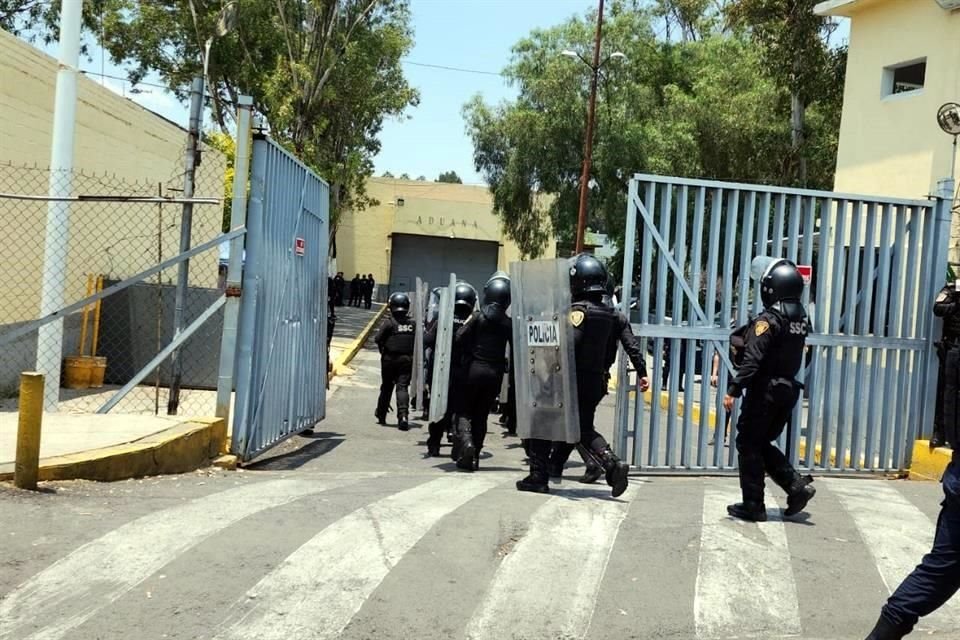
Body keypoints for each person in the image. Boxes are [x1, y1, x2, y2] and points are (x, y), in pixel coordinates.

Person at [520, 253, 650, 496]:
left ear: (577, 281)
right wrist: (642, 372)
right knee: (582, 428)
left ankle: (538, 476)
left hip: (570, 380)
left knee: (540, 421)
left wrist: (545, 368)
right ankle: (611, 464)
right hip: (597, 381)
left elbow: (569, 344)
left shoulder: (577, 312)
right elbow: (632, 345)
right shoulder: (615, 315)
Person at [722, 257, 814, 522]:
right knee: (760, 442)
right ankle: (795, 486)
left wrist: (734, 389)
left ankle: (753, 505)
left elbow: (753, 360)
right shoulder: (801, 320)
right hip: (787, 389)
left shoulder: (769, 320)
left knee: (747, 442)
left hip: (766, 391)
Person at [451, 273, 512, 470]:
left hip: (473, 370)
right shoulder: (508, 323)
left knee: (464, 411)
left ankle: (467, 443)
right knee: (482, 415)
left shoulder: (478, 317)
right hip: (495, 374)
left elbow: (459, 337)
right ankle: (475, 455)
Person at [425, 281, 477, 456]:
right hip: (464, 373)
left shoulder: (443, 318)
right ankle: (457, 447)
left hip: (441, 371)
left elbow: (427, 341)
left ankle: (434, 444)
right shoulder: (475, 321)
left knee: (439, 408)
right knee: (459, 410)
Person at [374, 292, 415, 430]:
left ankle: (381, 414)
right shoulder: (413, 324)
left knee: (386, 386)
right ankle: (403, 416)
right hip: (407, 359)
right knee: (402, 387)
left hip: (389, 359)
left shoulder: (390, 323)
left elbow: (377, 339)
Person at [932, 279, 960, 448]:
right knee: (945, 392)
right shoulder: (954, 288)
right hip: (952, 348)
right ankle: (940, 431)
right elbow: (938, 308)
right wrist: (957, 304)